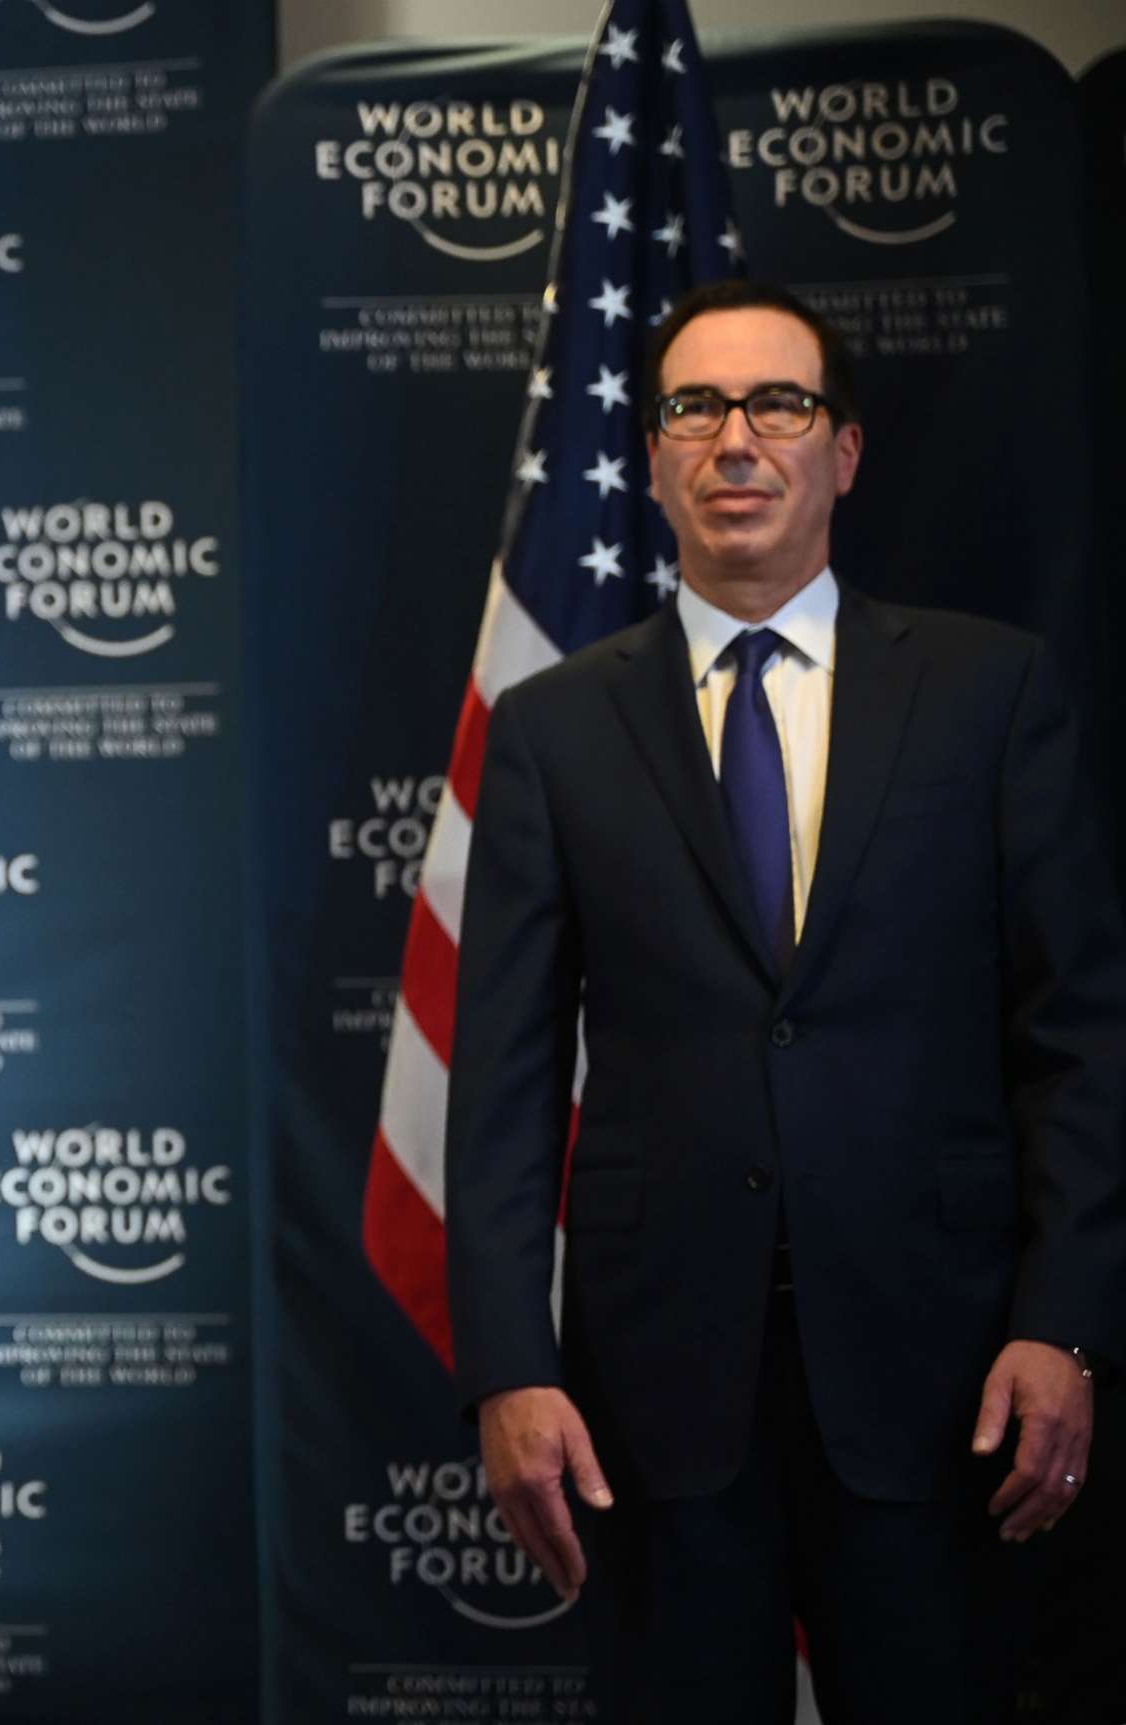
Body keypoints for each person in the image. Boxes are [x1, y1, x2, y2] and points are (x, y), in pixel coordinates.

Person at [445, 279, 1126, 1722]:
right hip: (653, 1398)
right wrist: (507, 1364)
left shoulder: (988, 694)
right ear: (653, 457)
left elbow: (1075, 1037)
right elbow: (498, 1076)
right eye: (694, 407)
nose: (735, 440)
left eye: (779, 405)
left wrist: (1065, 1322)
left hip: (947, 1382)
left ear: (845, 450)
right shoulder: (557, 728)